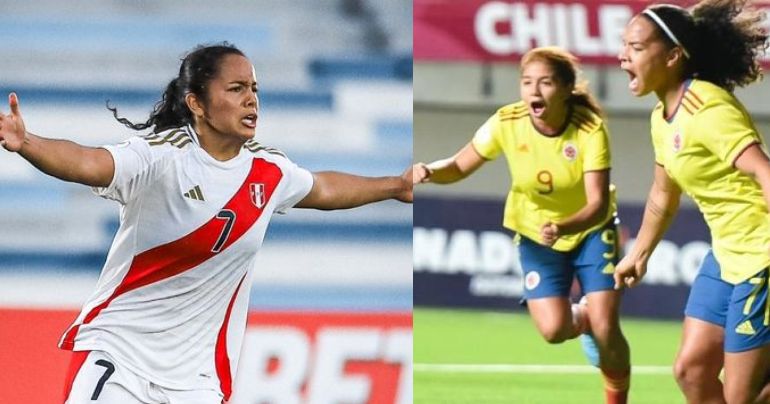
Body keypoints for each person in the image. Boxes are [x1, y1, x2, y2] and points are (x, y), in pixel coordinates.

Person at [0, 43, 412, 404]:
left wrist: (395, 185)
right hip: (120, 355)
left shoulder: (268, 172)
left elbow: (323, 189)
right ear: (196, 102)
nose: (252, 100)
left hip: (195, 380)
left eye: (254, 89)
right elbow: (89, 162)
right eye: (236, 89)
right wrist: (27, 143)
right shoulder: (163, 157)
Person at [413, 46, 631, 404]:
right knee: (553, 330)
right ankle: (585, 318)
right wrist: (430, 172)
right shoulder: (506, 122)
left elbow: (597, 203)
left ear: (565, 88)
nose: (534, 91)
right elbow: (460, 164)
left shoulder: (590, 129)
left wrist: (564, 226)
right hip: (535, 234)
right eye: (527, 82)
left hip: (592, 230)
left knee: (609, 328)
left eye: (545, 82)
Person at [615, 1, 770, 403]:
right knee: (692, 371)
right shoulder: (662, 115)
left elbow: (764, 172)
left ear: (672, 55)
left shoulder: (708, 107)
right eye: (624, 46)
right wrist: (639, 253)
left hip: (762, 256)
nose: (622, 57)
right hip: (726, 256)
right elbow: (663, 192)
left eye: (635, 47)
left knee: (742, 397)